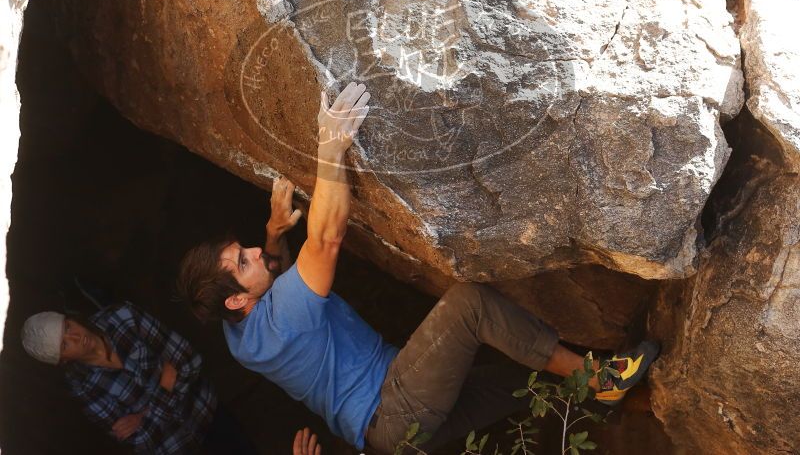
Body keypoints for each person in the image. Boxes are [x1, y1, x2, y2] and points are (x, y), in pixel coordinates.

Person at [176, 82, 660, 454]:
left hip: (395, 435)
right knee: (469, 306)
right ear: (238, 298)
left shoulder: (238, 336)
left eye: (247, 250)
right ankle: (603, 381)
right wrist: (330, 148)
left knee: (531, 375)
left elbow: (273, 281)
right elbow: (326, 238)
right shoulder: (282, 320)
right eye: (244, 262)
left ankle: (644, 406)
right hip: (394, 405)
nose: (256, 256)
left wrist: (273, 235)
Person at [21, 302, 257, 455]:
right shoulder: (82, 388)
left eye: (68, 326)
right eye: (65, 344)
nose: (76, 336)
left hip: (206, 413)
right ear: (63, 360)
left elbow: (189, 360)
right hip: (178, 449)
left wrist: (143, 415)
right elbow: (142, 442)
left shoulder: (123, 318)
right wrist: (166, 379)